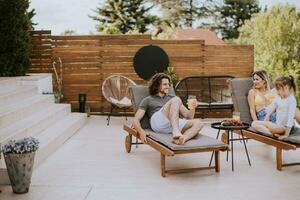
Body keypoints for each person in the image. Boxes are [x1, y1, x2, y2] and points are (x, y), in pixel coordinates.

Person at [133, 73, 203, 145]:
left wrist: (193, 107)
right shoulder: (148, 100)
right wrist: (141, 131)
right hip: (158, 122)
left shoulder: (172, 98)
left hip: (171, 124)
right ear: (156, 86)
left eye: (168, 84)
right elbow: (136, 119)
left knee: (199, 123)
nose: (168, 86)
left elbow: (189, 117)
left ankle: (182, 139)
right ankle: (176, 131)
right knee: (176, 99)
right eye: (165, 84)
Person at [251, 75, 298, 140]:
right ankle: (271, 134)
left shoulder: (291, 100)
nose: (277, 92)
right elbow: (272, 107)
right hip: (277, 125)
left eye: (278, 89)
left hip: (286, 127)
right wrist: (267, 116)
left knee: (272, 128)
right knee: (254, 123)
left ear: (286, 87)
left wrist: (286, 134)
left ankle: (272, 132)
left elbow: (290, 118)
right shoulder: (278, 97)